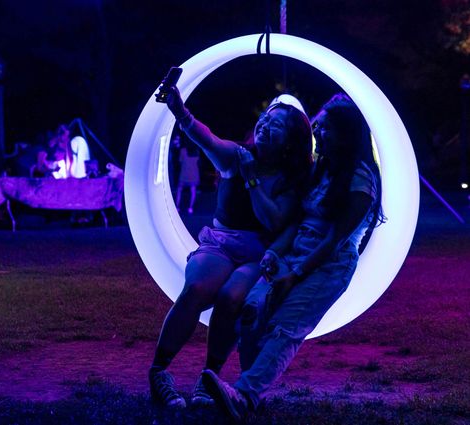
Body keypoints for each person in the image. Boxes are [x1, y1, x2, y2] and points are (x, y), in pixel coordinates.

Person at [200, 94, 385, 421]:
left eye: (325, 129)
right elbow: (299, 221)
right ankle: (246, 391)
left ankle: (245, 394)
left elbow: (333, 240)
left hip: (327, 266)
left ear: (345, 135)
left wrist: (294, 276)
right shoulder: (324, 170)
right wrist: (274, 253)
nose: (318, 134)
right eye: (318, 127)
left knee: (286, 329)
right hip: (293, 253)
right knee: (250, 311)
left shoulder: (361, 180)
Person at [148, 82, 313, 408]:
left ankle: (208, 380)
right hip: (221, 244)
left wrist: (252, 180)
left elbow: (275, 222)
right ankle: (159, 373)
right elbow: (207, 139)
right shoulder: (237, 155)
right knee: (196, 288)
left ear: (290, 142)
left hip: (260, 253)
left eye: (276, 124)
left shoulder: (293, 178)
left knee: (231, 298)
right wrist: (181, 113)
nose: (265, 125)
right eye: (265, 118)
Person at [175, 139, 200, 214]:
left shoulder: (183, 151)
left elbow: (180, 161)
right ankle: (190, 208)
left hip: (184, 173)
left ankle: (177, 207)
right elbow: (198, 161)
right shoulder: (196, 151)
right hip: (194, 173)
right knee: (193, 191)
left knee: (179, 189)